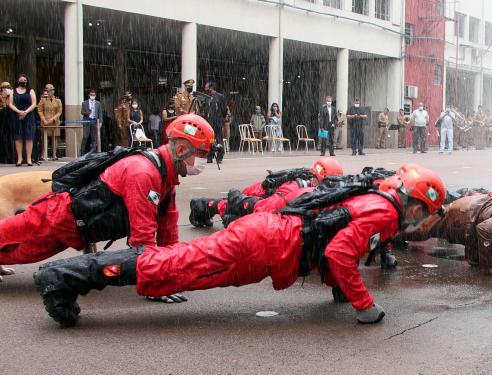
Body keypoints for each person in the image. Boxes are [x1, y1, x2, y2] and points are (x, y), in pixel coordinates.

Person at [35, 165, 447, 327]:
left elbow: (332, 237)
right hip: (262, 245)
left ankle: (69, 277)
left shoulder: (375, 197)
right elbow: (340, 253)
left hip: (266, 237)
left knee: (175, 263)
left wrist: (341, 288)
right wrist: (364, 306)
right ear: (417, 204)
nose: (422, 222)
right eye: (426, 213)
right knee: (170, 267)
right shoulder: (384, 212)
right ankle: (65, 278)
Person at [9, 114, 215, 321]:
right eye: (201, 154)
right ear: (181, 150)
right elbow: (142, 239)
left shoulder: (166, 176)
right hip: (53, 218)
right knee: (13, 249)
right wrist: (155, 282)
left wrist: (171, 273)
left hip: (70, 226)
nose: (203, 161)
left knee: (17, 254)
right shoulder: (144, 173)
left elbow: (167, 229)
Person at [188, 157, 345, 228]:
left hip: (264, 194)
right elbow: (265, 208)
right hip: (258, 196)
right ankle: (202, 206)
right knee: (233, 207)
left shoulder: (308, 181)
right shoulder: (296, 187)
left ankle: (204, 206)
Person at [9, 74, 38, 167]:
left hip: (28, 115)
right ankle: (20, 158)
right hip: (16, 115)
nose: (23, 81)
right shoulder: (13, 91)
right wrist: (19, 112)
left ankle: (29, 159)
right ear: (18, 81)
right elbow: (10, 103)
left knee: (29, 137)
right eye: (21, 80)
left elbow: (34, 103)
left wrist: (25, 112)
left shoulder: (30, 90)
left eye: (25, 80)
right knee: (18, 137)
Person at [203, 81, 229, 163]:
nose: (205, 88)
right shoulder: (207, 97)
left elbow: (224, 109)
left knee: (218, 139)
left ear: (211, 88)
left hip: (217, 122)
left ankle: (220, 156)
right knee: (210, 139)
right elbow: (206, 109)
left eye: (206, 86)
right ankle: (210, 156)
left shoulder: (220, 97)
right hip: (209, 122)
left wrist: (221, 118)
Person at [37, 84, 62, 162]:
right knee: (44, 138)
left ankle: (54, 154)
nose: (50, 91)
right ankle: (44, 154)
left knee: (55, 138)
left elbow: (59, 111)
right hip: (45, 122)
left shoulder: (58, 100)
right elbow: (39, 110)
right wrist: (44, 119)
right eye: (48, 90)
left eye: (51, 90)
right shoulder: (43, 100)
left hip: (54, 122)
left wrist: (53, 118)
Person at [80, 89, 101, 154]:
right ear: (89, 95)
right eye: (91, 95)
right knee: (85, 136)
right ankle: (82, 151)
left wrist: (100, 122)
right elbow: (82, 112)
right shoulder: (84, 103)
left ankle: (93, 151)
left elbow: (100, 113)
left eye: (94, 95)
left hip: (94, 121)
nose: (93, 96)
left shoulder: (98, 103)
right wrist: (87, 113)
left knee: (94, 137)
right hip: (87, 121)